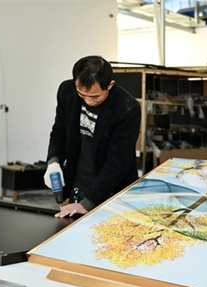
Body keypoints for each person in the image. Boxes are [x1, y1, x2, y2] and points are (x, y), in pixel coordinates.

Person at [43, 56, 141, 218]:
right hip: (79, 183)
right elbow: (59, 132)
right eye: (82, 94)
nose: (88, 101)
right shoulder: (67, 91)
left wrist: (87, 204)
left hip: (113, 190)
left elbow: (117, 163)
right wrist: (53, 162)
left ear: (110, 85)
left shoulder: (127, 108)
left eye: (95, 97)